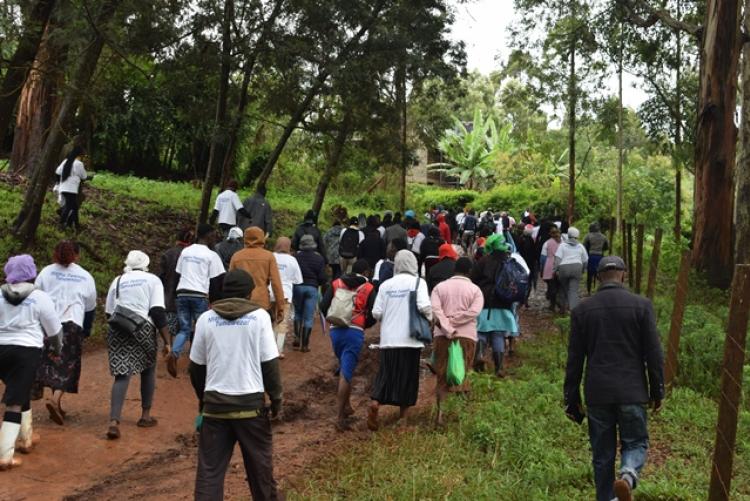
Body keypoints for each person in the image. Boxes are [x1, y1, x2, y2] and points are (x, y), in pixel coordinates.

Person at [564, 256, 664, 501]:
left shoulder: (582, 310)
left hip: (598, 393)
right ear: (623, 274)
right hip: (632, 390)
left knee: (602, 455)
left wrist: (571, 396)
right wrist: (657, 390)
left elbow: (575, 359)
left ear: (598, 278)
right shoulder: (641, 306)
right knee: (636, 442)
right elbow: (653, 352)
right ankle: (628, 476)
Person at [189, 269, 282, 501]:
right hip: (251, 409)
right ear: (249, 293)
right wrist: (276, 399)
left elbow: (195, 368)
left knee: (209, 472)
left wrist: (204, 399)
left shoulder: (206, 319)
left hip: (215, 409)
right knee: (260, 470)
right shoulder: (260, 317)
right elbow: (269, 365)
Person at [0, 255, 62, 470]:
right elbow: (54, 329)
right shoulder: (40, 297)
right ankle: (5, 455)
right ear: (31, 272)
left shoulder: (0, 293)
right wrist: (57, 348)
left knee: (19, 388)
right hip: (26, 351)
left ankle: (26, 438)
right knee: (15, 401)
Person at [104, 251, 171, 440]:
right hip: (143, 327)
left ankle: (114, 422)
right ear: (146, 264)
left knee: (122, 374)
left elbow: (109, 313)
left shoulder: (118, 280)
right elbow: (157, 311)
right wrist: (167, 340)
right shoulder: (152, 280)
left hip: (118, 327)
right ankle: (145, 416)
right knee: (148, 370)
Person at [33, 241, 96, 425]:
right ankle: (55, 399)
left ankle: (55, 403)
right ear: (77, 255)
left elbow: (35, 296)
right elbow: (90, 307)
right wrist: (87, 329)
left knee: (51, 361)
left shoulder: (46, 272)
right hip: (72, 324)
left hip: (48, 323)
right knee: (68, 363)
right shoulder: (85, 276)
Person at [368, 250, 431, 431]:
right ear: (413, 264)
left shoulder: (386, 285)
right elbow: (424, 307)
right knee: (408, 377)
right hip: (411, 339)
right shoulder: (419, 283)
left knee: (386, 374)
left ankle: (376, 403)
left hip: (389, 338)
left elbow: (376, 313)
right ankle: (403, 418)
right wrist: (432, 318)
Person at [320, 259, 376, 431]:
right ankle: (339, 416)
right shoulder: (368, 288)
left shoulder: (337, 283)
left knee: (345, 366)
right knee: (346, 373)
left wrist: (332, 320)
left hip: (336, 330)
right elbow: (373, 313)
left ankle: (347, 406)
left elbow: (323, 305)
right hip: (354, 331)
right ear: (366, 272)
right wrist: (363, 324)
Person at [430, 257, 483, 425]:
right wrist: (455, 321)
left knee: (442, 375)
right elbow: (473, 312)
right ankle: (461, 415)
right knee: (463, 372)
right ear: (469, 272)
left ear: (454, 270)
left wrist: (447, 325)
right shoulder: (475, 290)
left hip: (442, 336)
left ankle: (440, 415)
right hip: (466, 335)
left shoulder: (440, 288)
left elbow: (435, 310)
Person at [169, 224, 225, 376]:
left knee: (184, 329)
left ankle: (174, 353)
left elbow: (177, 274)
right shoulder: (211, 255)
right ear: (207, 236)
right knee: (201, 329)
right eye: (213, 234)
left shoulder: (186, 251)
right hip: (199, 295)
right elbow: (216, 281)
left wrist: (175, 294)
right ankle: (196, 363)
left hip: (182, 293)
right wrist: (215, 301)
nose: (214, 237)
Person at [471, 233, 517, 377]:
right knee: (498, 334)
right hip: (503, 302)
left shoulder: (483, 261)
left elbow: (473, 280)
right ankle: (499, 368)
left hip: (484, 301)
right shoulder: (508, 262)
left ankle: (479, 357)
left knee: (482, 332)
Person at [228, 227, 285, 324]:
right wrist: (280, 308)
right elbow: (276, 284)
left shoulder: (236, 256)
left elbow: (229, 282)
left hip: (241, 304)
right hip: (262, 303)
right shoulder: (269, 256)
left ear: (245, 238)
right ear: (262, 238)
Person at [159, 228, 193, 348]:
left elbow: (161, 277)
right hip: (188, 295)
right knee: (187, 326)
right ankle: (192, 353)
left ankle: (169, 347)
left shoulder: (168, 254)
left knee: (171, 327)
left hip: (170, 297)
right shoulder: (192, 255)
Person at [293, 235, 327, 353]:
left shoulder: (295, 257)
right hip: (312, 288)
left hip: (297, 287)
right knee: (308, 317)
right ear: (313, 245)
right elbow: (322, 277)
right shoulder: (319, 259)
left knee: (297, 312)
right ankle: (305, 345)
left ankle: (297, 337)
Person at [270, 237, 302, 359]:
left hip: (270, 293)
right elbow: (298, 280)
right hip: (285, 295)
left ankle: (269, 349)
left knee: (271, 321)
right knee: (282, 322)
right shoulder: (292, 260)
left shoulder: (271, 256)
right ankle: (278, 350)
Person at [554, 226, 588, 313]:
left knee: (563, 288)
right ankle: (573, 309)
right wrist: (583, 270)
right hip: (577, 268)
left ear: (568, 236)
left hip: (564, 268)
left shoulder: (562, 245)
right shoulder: (580, 246)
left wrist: (555, 270)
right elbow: (585, 260)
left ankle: (562, 308)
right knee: (573, 290)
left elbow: (557, 259)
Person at [55, 145, 87, 231]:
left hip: (63, 187)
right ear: (80, 155)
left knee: (75, 207)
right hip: (72, 189)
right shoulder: (79, 164)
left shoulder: (66, 161)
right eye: (83, 156)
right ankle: (61, 224)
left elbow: (57, 171)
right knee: (69, 206)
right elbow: (84, 176)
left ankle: (76, 226)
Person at [583, 222, 610, 295]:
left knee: (589, 274)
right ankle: (601, 290)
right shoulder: (603, 237)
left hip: (591, 256)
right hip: (600, 256)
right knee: (600, 274)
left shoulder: (588, 236)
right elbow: (607, 246)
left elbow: (584, 246)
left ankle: (589, 291)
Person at [541, 226, 563, 311]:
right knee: (560, 286)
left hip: (550, 265)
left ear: (550, 234)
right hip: (561, 264)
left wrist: (542, 268)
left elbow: (543, 257)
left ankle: (552, 305)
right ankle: (562, 304)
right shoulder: (563, 243)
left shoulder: (547, 243)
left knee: (552, 285)